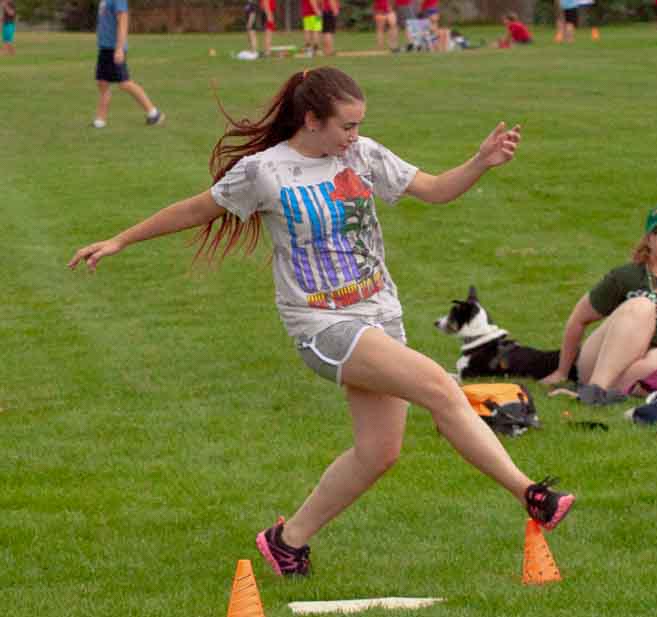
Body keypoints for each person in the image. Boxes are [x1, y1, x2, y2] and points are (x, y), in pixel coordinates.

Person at [68, 67, 575, 577]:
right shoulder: (264, 171)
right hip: (321, 326)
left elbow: (437, 189)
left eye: (358, 126)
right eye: (346, 126)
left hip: (380, 317)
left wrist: (481, 162)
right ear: (311, 119)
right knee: (439, 387)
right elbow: (197, 209)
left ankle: (287, 541)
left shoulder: (363, 155)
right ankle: (532, 494)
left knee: (378, 453)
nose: (353, 136)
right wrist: (120, 240)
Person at [540, 205, 657, 406]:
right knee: (642, 306)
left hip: (656, 364)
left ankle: (606, 391)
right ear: (648, 240)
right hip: (604, 361)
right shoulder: (625, 276)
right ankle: (596, 389)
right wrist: (562, 371)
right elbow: (578, 319)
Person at [92, 0, 164, 129]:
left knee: (124, 82)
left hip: (115, 48)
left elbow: (123, 22)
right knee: (102, 82)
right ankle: (100, 119)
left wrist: (119, 48)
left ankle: (154, 113)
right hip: (105, 48)